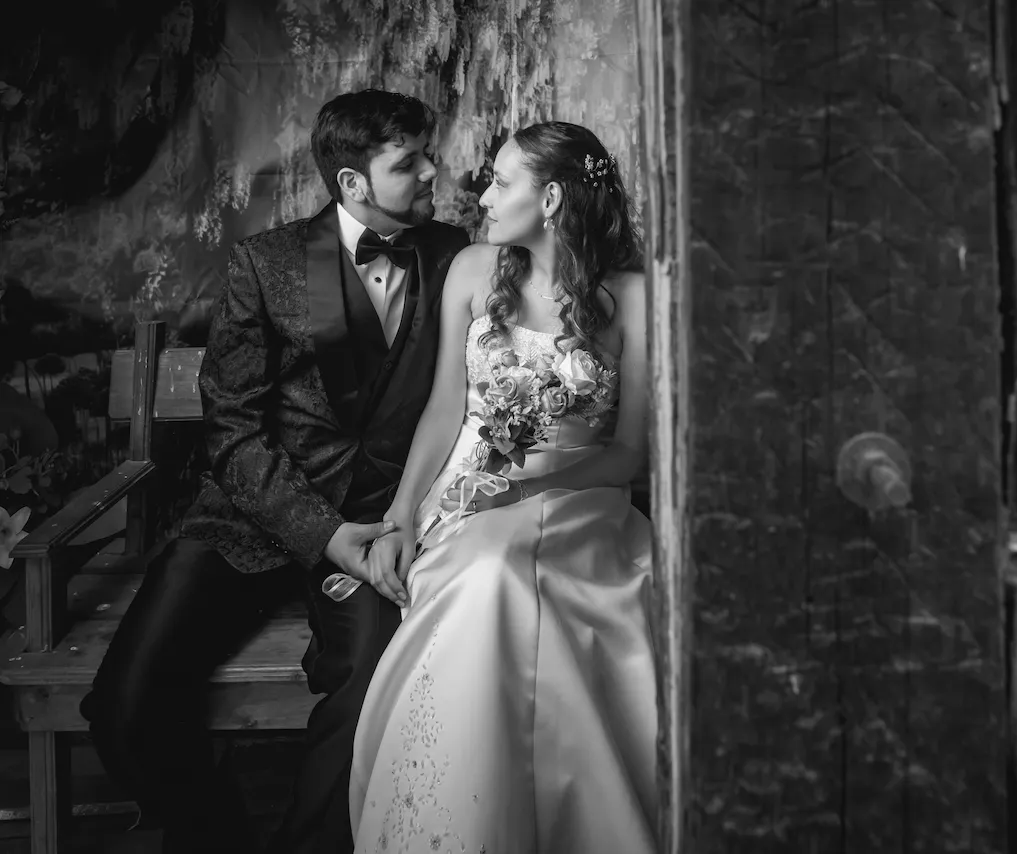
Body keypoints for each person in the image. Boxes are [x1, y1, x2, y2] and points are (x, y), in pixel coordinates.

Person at [79, 89, 471, 854]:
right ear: (353, 183)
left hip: (389, 527)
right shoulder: (267, 263)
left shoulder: (456, 253)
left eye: (429, 153)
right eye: (409, 162)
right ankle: (215, 833)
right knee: (124, 708)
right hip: (249, 520)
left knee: (369, 694)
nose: (433, 171)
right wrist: (324, 533)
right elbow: (230, 432)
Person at [349, 121, 658, 853]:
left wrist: (526, 494)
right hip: (469, 494)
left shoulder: (639, 297)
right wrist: (399, 518)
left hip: (584, 500)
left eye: (502, 182)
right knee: (489, 572)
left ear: (551, 198)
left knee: (513, 573)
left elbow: (627, 455)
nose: (482, 196)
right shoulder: (471, 270)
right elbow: (444, 411)